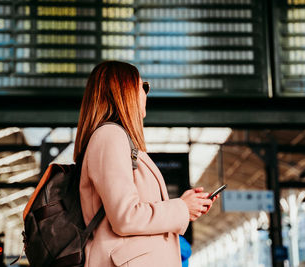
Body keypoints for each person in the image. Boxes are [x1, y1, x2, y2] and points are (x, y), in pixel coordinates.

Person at [73, 61, 218, 267]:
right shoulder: (110, 136)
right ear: (126, 92)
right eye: (144, 86)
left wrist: (185, 205)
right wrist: (181, 208)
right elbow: (126, 216)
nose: (146, 93)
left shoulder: (116, 138)